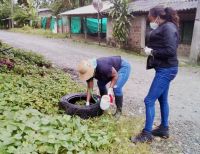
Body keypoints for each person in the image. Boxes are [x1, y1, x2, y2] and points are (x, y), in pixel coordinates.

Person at [131, 6, 179, 143]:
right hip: (165, 68)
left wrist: (152, 52)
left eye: (150, 17)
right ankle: (164, 128)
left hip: (167, 69)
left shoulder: (168, 27)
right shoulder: (166, 26)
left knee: (149, 100)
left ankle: (146, 135)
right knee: (162, 99)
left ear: (157, 16)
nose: (150, 20)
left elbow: (171, 50)